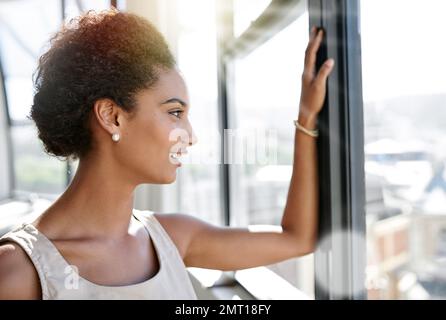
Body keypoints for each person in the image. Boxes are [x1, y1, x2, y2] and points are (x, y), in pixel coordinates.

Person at [0, 9, 334, 299]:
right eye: (175, 113)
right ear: (112, 116)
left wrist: (305, 118)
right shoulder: (17, 273)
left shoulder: (172, 239)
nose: (190, 136)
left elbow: (297, 239)